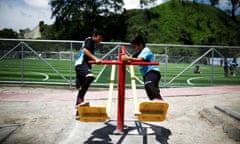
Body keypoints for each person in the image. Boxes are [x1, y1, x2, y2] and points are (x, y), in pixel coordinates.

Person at [122, 35, 163, 101]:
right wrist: (124, 58)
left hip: (152, 72)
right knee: (149, 90)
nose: (134, 49)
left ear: (140, 45)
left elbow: (140, 59)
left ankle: (160, 101)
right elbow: (130, 59)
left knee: (149, 84)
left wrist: (127, 58)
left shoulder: (146, 50)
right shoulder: (138, 53)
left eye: (135, 47)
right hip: (146, 74)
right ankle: (155, 102)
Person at [74, 29, 103, 119]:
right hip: (81, 64)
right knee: (90, 76)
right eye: (100, 38)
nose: (100, 40)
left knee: (81, 88)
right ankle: (80, 100)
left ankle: (78, 113)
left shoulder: (91, 42)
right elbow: (85, 50)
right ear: (94, 35)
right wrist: (95, 58)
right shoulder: (90, 40)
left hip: (80, 65)